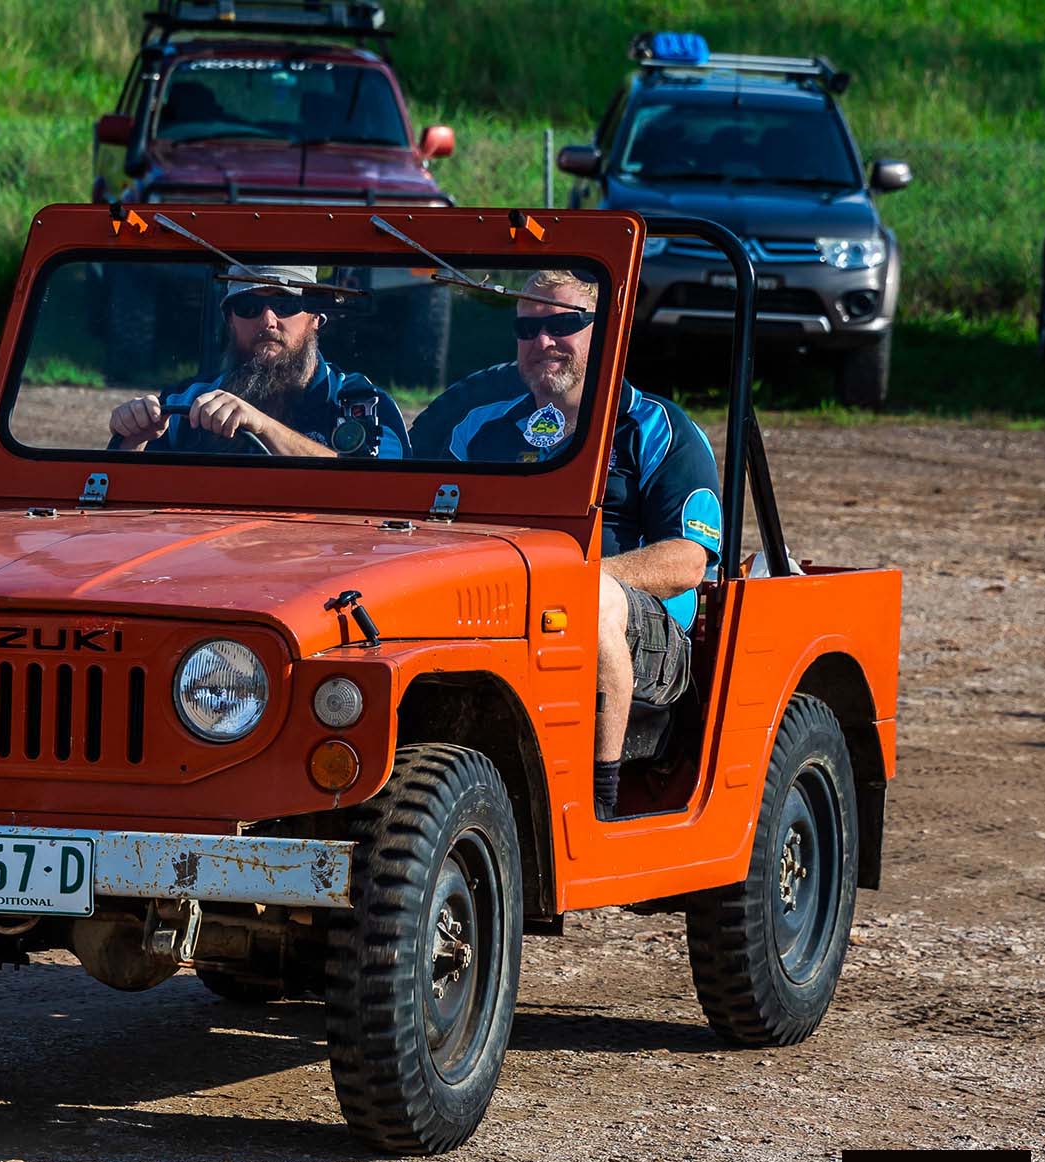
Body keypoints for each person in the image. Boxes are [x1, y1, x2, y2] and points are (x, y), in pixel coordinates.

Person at [411, 269, 722, 819]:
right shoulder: (479, 427)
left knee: (589, 600)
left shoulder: (657, 427)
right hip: (500, 606)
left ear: (606, 333)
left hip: (643, 631)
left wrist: (568, 581)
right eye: (527, 328)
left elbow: (687, 561)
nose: (542, 341)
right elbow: (409, 509)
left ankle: (597, 804)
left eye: (563, 325)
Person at [107, 265, 408, 458]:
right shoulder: (183, 405)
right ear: (230, 320)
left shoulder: (364, 405)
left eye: (285, 304)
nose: (268, 320)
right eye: (248, 306)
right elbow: (128, 508)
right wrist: (133, 438)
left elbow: (383, 490)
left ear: (315, 317)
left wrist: (263, 426)